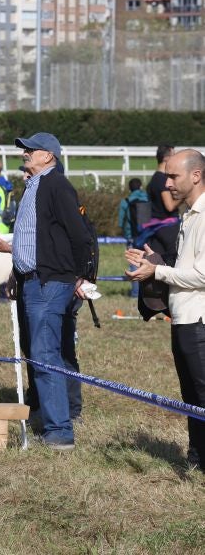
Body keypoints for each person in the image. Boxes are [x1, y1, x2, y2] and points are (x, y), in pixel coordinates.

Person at [0, 132, 93, 450]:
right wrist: (16, 273)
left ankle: (60, 431)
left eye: (30, 150)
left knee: (45, 354)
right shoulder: (34, 185)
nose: (25, 154)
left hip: (50, 281)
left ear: (47, 156)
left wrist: (78, 275)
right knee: (39, 351)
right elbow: (29, 237)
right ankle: (49, 418)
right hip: (31, 280)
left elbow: (80, 236)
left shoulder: (57, 185)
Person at [126, 149, 205, 470]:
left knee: (202, 397)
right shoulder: (188, 215)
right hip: (183, 318)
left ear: (196, 176)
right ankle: (197, 458)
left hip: (199, 322)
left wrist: (157, 272)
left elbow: (202, 274)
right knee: (191, 399)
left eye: (174, 176)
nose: (167, 182)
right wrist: (157, 263)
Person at [118, 178, 149, 298]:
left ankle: (136, 294)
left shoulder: (125, 201)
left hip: (132, 237)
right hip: (148, 236)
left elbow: (121, 221)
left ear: (129, 189)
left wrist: (125, 232)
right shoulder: (148, 199)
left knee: (134, 265)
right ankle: (148, 293)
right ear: (141, 187)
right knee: (149, 263)